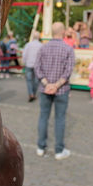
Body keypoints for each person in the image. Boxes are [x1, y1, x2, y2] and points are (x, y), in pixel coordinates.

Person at [35, 22, 75, 160]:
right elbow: (68, 71)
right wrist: (56, 85)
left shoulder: (43, 48)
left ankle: (41, 147)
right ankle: (59, 150)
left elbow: (37, 68)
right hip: (62, 89)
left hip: (45, 88)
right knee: (60, 119)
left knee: (43, 117)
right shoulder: (68, 49)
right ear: (63, 32)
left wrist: (47, 84)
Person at [22, 31, 43, 102]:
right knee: (36, 80)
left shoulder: (28, 45)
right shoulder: (41, 45)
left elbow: (24, 54)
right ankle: (33, 93)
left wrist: (24, 62)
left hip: (29, 64)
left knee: (29, 80)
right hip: (37, 65)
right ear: (39, 37)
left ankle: (31, 94)